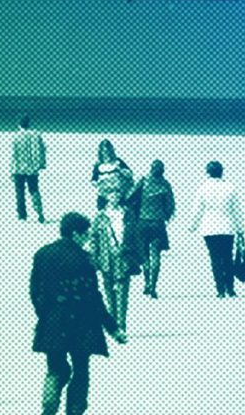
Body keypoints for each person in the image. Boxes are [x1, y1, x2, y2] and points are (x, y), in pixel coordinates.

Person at [30, 212, 126, 415]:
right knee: (81, 370)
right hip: (82, 324)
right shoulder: (84, 260)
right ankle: (74, 410)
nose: (88, 239)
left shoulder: (42, 254)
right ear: (75, 233)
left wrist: (45, 314)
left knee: (56, 367)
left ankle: (50, 394)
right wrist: (113, 328)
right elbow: (93, 297)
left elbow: (35, 291)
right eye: (86, 234)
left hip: (52, 322)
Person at [89, 190, 140, 343]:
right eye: (112, 195)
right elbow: (93, 239)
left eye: (118, 195)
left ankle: (121, 327)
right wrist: (94, 258)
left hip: (123, 257)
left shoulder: (128, 214)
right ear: (106, 197)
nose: (115, 197)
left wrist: (139, 258)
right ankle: (113, 327)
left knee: (123, 293)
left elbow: (136, 236)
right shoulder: (100, 217)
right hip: (106, 258)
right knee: (109, 293)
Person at [189, 160, 245, 298]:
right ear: (221, 172)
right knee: (227, 258)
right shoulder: (230, 187)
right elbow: (236, 211)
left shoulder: (202, 188)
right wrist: (240, 229)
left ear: (208, 173)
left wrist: (192, 226)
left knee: (215, 258)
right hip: (227, 228)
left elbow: (198, 210)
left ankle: (220, 289)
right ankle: (230, 288)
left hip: (209, 229)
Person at [130, 160, 175, 299]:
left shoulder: (143, 181)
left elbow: (130, 196)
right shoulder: (165, 184)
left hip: (142, 222)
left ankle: (146, 284)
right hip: (158, 223)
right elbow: (171, 205)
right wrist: (165, 216)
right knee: (156, 255)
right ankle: (153, 287)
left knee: (144, 255)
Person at [11, 113, 47, 223]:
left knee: (20, 192)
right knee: (34, 190)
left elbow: (14, 154)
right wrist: (41, 164)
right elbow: (42, 150)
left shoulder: (16, 136)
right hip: (32, 168)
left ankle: (22, 216)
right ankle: (39, 212)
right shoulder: (36, 135)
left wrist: (11, 170)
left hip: (18, 168)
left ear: (19, 124)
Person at [90, 139, 132, 211]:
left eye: (108, 151)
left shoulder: (118, 162)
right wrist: (98, 183)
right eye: (104, 151)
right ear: (101, 152)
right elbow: (93, 180)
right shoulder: (98, 165)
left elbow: (129, 174)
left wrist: (119, 169)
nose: (107, 154)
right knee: (103, 214)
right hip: (104, 195)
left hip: (118, 194)